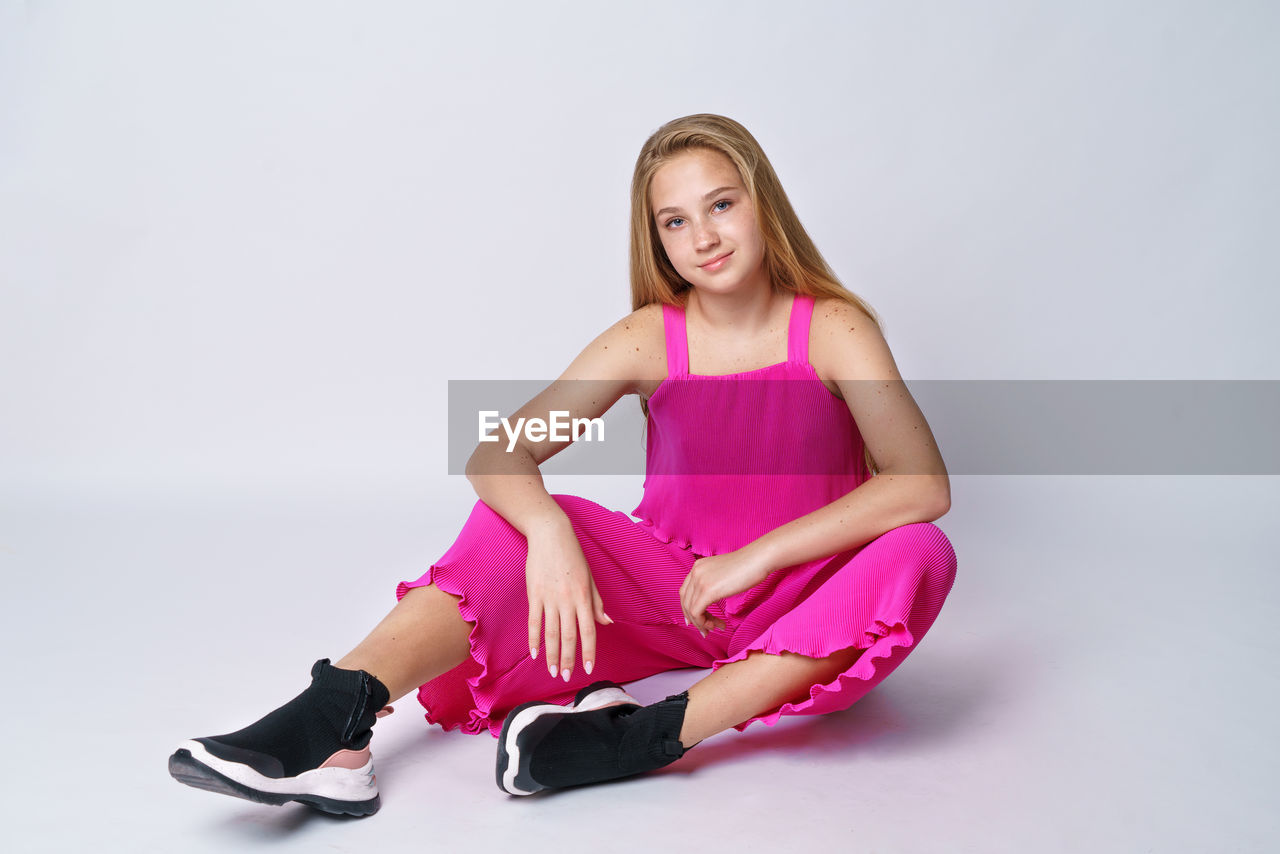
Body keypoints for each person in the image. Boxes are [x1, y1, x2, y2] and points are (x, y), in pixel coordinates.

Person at [168, 113, 958, 816]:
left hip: (811, 597)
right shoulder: (648, 337)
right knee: (511, 517)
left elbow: (922, 482)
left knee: (921, 549)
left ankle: (635, 738)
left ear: (762, 206)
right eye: (675, 221)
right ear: (656, 239)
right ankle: (335, 721)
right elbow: (498, 449)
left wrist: (757, 558)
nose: (705, 237)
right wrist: (546, 530)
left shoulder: (834, 331)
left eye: (721, 205)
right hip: (676, 590)